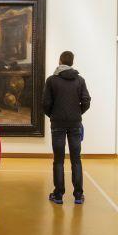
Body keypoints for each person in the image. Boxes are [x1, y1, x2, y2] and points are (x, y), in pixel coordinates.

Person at [43, 51, 91, 205]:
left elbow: (45, 103)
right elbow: (86, 101)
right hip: (75, 123)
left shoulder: (51, 80)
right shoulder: (79, 80)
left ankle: (58, 195)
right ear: (72, 62)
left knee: (58, 160)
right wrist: (77, 113)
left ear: (60, 61)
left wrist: (53, 115)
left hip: (57, 123)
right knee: (76, 160)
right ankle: (78, 195)